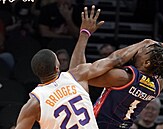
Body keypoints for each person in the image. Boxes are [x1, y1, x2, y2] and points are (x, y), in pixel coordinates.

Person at [15, 5, 155, 129]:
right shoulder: (74, 77)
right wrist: (144, 43)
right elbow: (116, 59)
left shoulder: (33, 103)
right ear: (57, 67)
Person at [86, 38, 163, 128]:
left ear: (147, 63)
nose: (137, 51)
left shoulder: (122, 77)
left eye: (142, 51)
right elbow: (157, 66)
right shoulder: (158, 84)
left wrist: (145, 42)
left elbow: (113, 60)